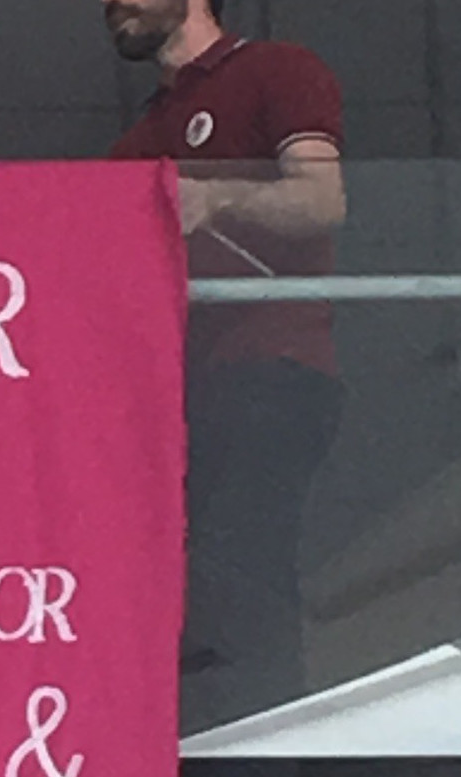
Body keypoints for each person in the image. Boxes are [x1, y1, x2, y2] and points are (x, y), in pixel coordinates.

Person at [105, 0, 346, 734]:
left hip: (271, 363)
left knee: (242, 569)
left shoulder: (275, 69)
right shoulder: (134, 142)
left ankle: (265, 765)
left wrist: (216, 197)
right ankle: (204, 759)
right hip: (178, 398)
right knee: (184, 585)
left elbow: (321, 200)